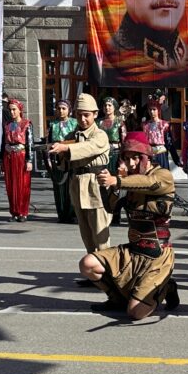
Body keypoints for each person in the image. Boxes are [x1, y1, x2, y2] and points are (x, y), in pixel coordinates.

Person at [78, 131, 179, 318]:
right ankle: (116, 298)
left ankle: (166, 287)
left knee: (135, 312)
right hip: (132, 252)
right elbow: (111, 208)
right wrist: (113, 185)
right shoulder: (127, 180)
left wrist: (118, 181)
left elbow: (149, 182)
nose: (131, 163)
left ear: (146, 157)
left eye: (136, 158)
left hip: (157, 256)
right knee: (88, 264)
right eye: (127, 158)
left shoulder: (162, 175)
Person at [48, 93, 112, 256]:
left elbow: (88, 148)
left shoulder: (100, 135)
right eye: (79, 115)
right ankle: (93, 274)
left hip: (95, 186)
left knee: (100, 236)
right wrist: (57, 155)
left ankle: (107, 275)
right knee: (86, 235)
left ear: (95, 114)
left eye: (86, 115)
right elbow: (65, 165)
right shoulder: (72, 136)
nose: (82, 119)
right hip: (77, 185)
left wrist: (66, 148)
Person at [3, 98, 34, 223]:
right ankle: (14, 211)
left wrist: (29, 159)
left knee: (23, 185)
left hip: (21, 156)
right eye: (10, 110)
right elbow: (3, 142)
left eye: (14, 109)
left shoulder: (26, 124)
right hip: (9, 156)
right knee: (10, 185)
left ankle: (23, 212)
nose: (12, 112)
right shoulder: (7, 125)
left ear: (20, 110)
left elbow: (30, 143)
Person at [47, 99, 78, 223]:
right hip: (56, 159)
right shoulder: (52, 124)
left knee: (71, 186)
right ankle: (61, 214)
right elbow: (48, 142)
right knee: (59, 186)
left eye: (64, 108)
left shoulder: (75, 123)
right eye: (59, 108)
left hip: (70, 157)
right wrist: (48, 159)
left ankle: (72, 214)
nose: (61, 111)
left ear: (69, 110)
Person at [142, 99, 180, 170]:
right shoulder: (145, 125)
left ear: (158, 110)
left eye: (154, 109)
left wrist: (176, 160)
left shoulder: (165, 125)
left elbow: (170, 143)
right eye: (150, 109)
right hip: (149, 154)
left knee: (162, 175)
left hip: (161, 154)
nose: (152, 112)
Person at [98, 96, 125, 173]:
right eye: (105, 105)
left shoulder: (119, 122)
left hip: (115, 154)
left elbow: (124, 141)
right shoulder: (97, 122)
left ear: (114, 107)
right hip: (101, 154)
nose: (107, 107)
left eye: (109, 105)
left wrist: (122, 159)